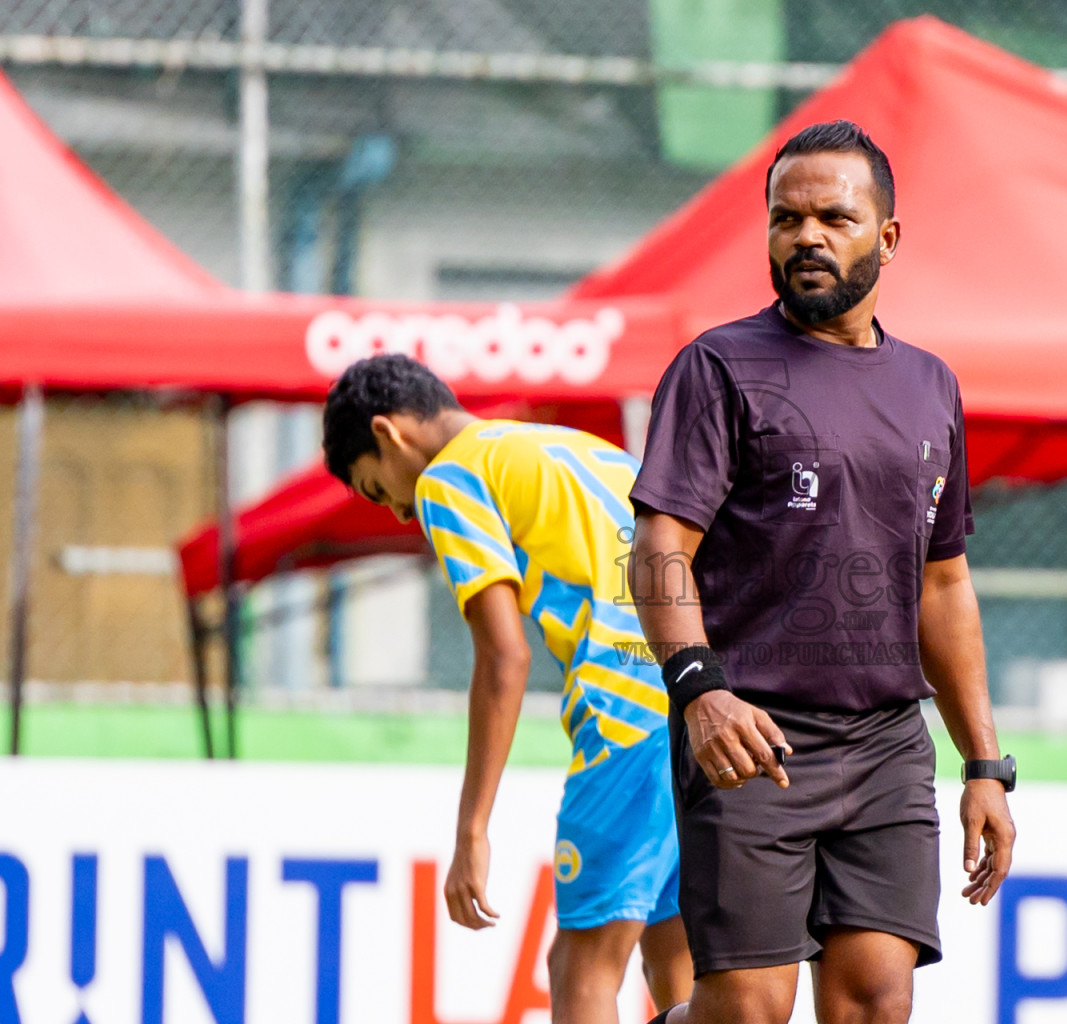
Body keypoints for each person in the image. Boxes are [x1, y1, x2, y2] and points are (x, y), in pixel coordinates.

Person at [627, 120, 1017, 1024]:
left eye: (834, 219)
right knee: (745, 1012)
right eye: (785, 218)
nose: (806, 236)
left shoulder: (932, 385)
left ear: (885, 238)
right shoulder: (719, 366)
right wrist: (701, 692)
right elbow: (658, 549)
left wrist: (986, 764)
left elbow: (944, 582)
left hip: (887, 745)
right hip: (752, 736)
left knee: (875, 1005)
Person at [322, 354, 692, 1024]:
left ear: (388, 434)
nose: (402, 512)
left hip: (626, 715)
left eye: (378, 490)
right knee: (675, 960)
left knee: (579, 967)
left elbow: (504, 656)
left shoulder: (449, 479)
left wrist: (472, 829)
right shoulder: (568, 446)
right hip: (707, 701)